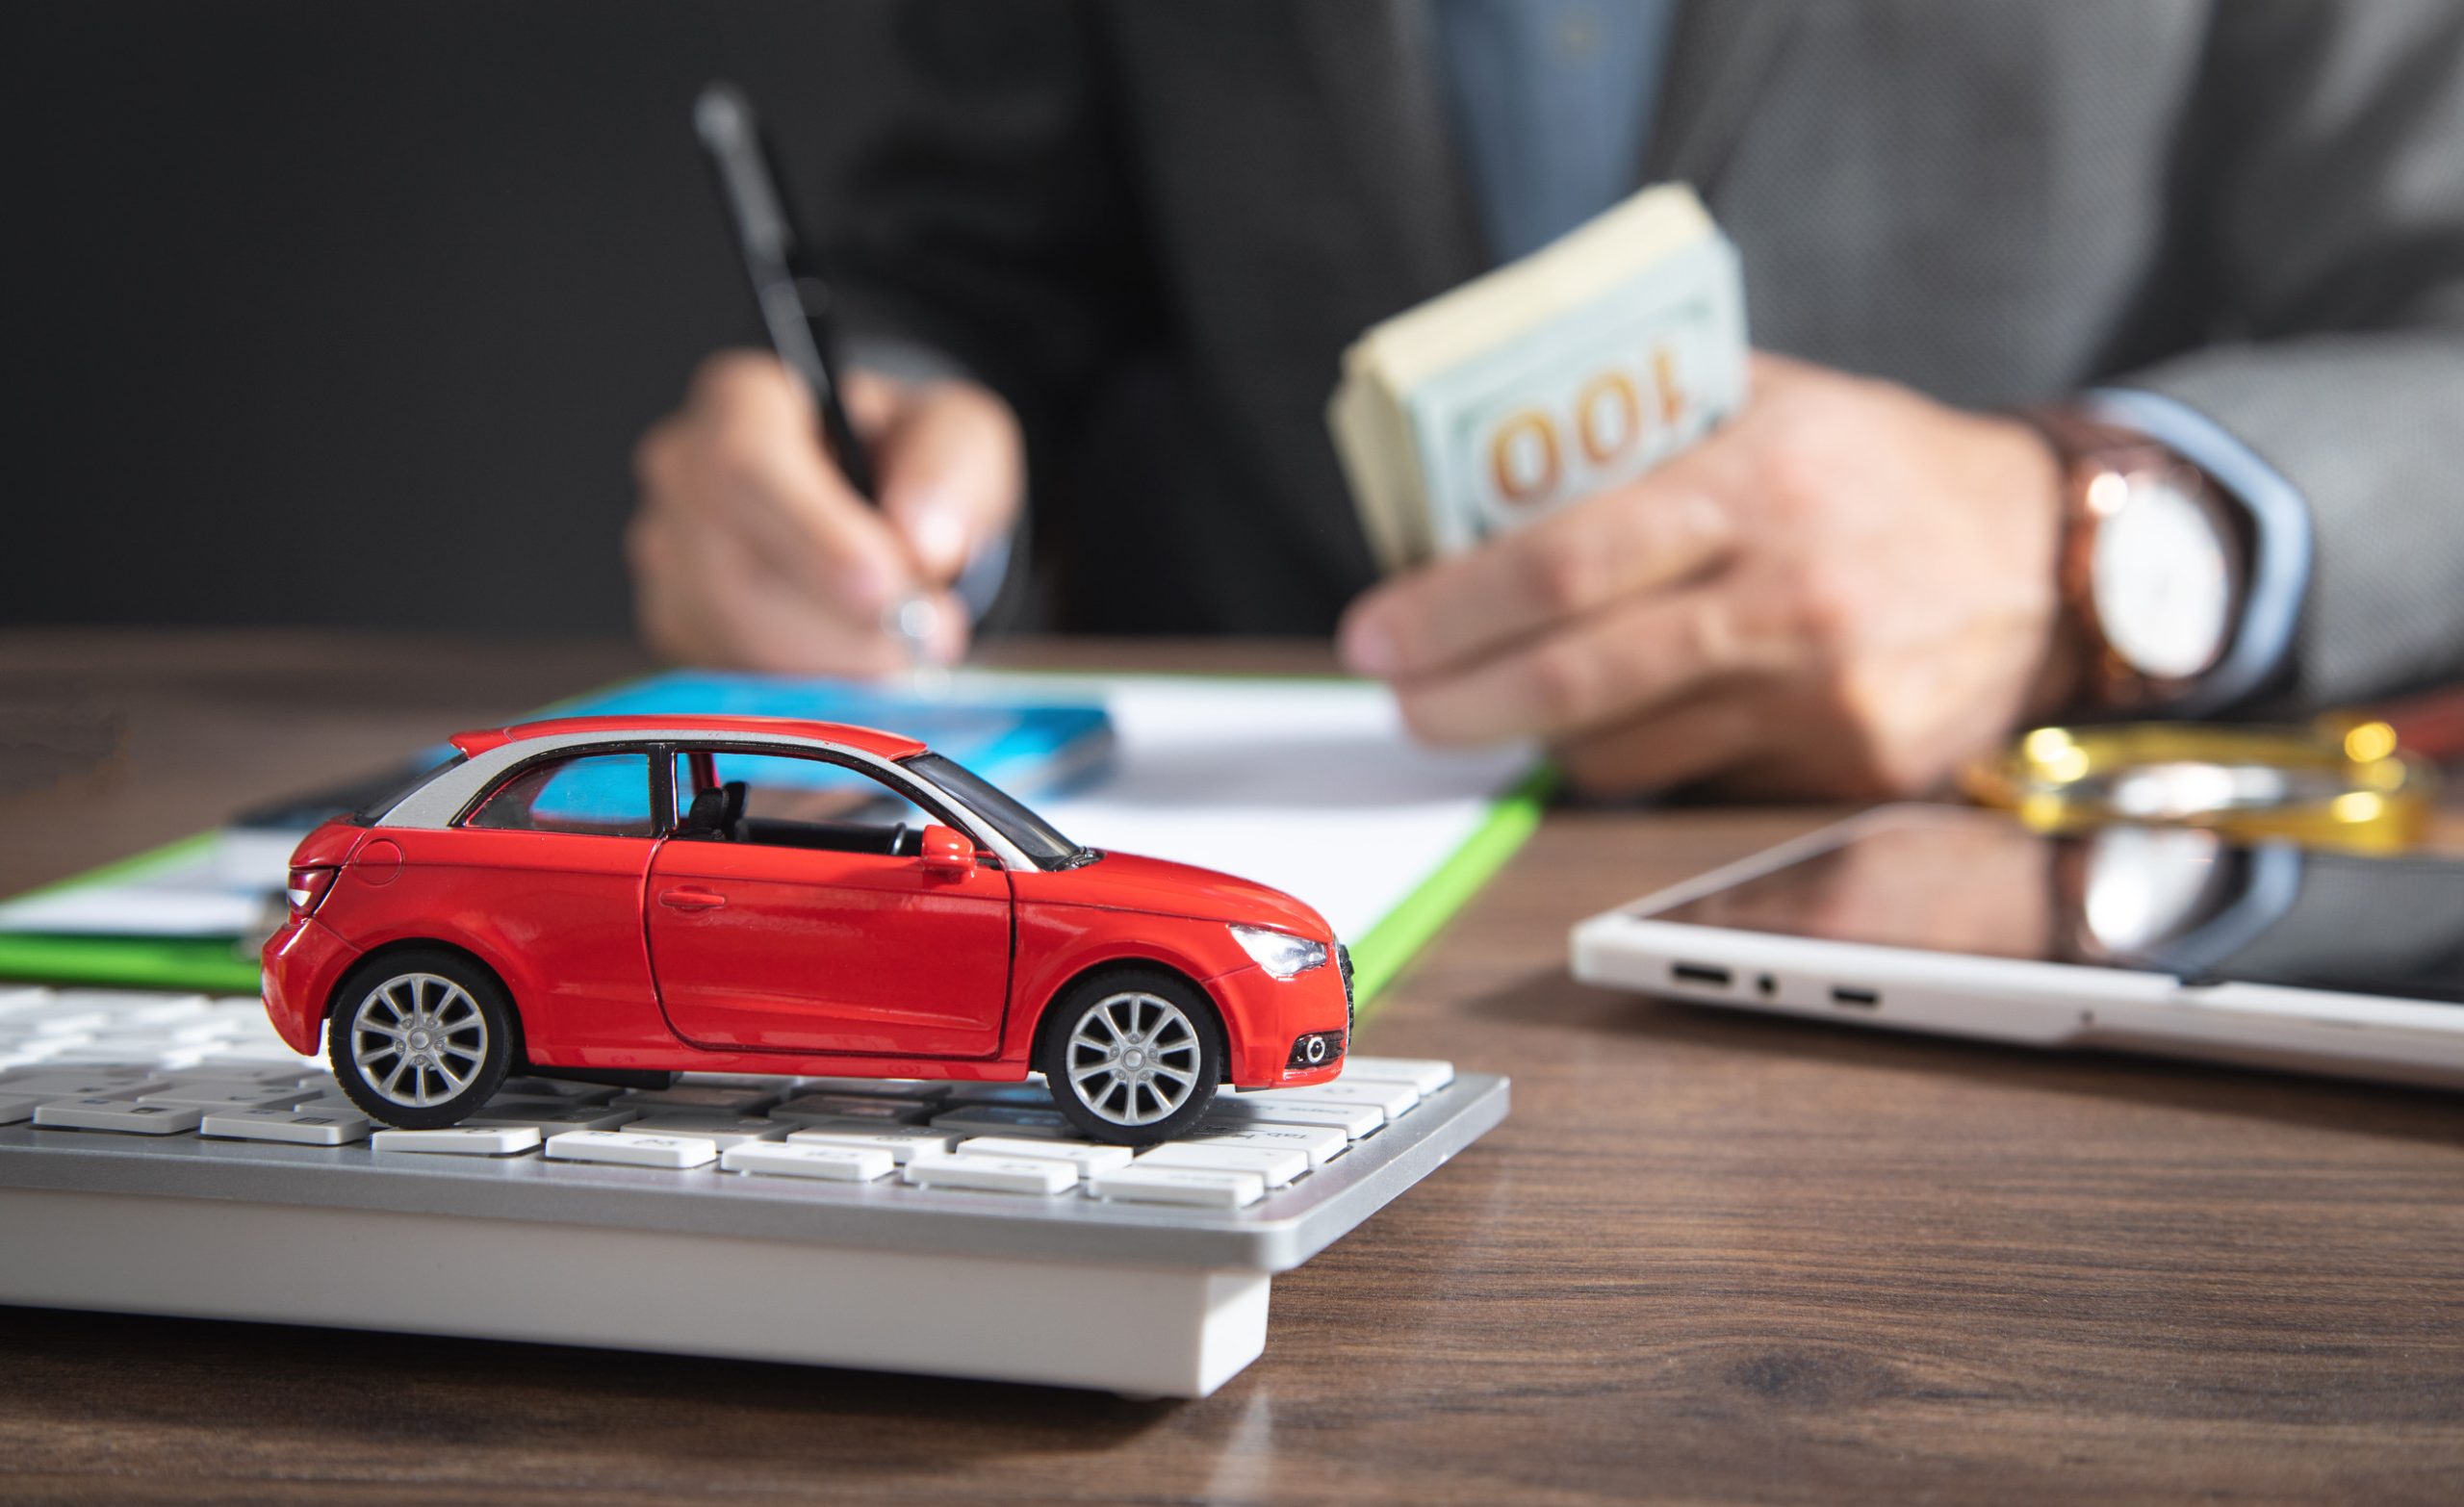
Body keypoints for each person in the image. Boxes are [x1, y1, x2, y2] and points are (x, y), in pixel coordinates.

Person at [629, 0, 2464, 798]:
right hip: (1318, 853)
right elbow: (974, 261)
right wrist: (883, 428)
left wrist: (2095, 544)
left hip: (2015, 897)